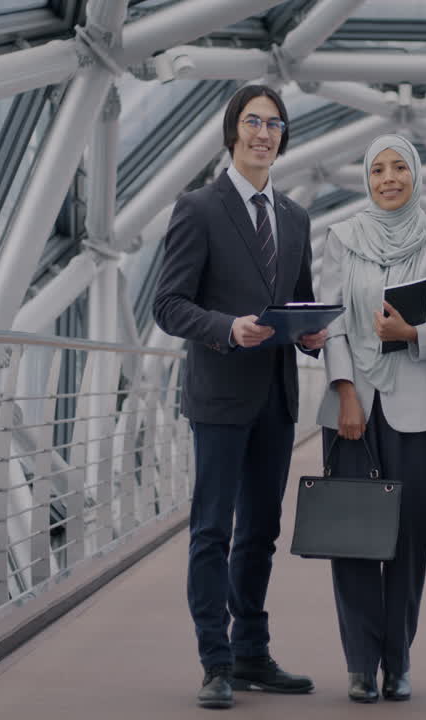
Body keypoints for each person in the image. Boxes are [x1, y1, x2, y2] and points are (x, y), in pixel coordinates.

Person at [153, 84, 328, 710]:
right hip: (221, 395)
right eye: (253, 121)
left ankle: (253, 652)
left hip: (276, 398)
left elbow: (298, 302)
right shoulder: (198, 208)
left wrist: (311, 335)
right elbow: (169, 304)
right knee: (212, 531)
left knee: (261, 531)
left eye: (274, 124)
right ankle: (216, 661)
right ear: (233, 130)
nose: (263, 133)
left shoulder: (295, 218)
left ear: (284, 137)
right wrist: (226, 329)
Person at [316, 134, 426, 703]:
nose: (388, 178)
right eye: (377, 168)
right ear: (365, 177)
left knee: (410, 538)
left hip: (418, 409)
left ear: (415, 175)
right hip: (352, 405)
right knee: (351, 533)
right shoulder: (341, 239)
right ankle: (360, 663)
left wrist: (413, 334)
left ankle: (397, 661)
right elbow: (330, 321)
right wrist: (345, 392)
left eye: (398, 167)